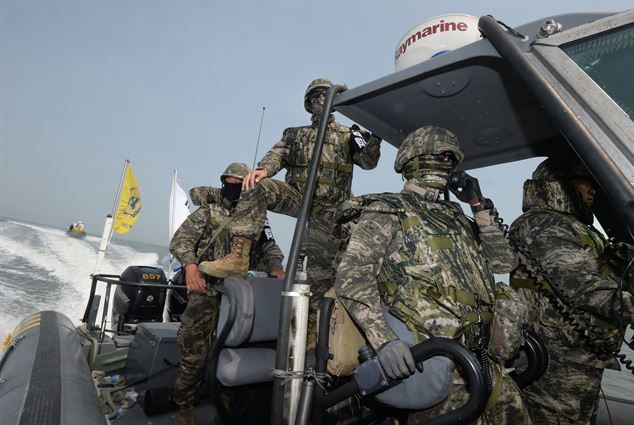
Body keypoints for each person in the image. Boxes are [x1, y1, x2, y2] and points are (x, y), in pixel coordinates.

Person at [335, 125, 531, 424]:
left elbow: (503, 262)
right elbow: (353, 277)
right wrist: (384, 340)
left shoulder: (459, 218)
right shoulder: (388, 209)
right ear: (412, 160)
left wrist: (478, 206)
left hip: (484, 362)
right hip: (435, 360)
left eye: (452, 160)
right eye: (439, 157)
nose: (446, 165)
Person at [199, 78, 381, 316]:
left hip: (329, 211)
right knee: (254, 183)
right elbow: (276, 155)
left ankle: (315, 335)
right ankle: (239, 255)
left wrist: (374, 136)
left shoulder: (349, 135)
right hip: (298, 198)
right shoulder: (295, 135)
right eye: (315, 96)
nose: (321, 100)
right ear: (308, 103)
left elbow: (368, 162)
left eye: (325, 95)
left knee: (320, 279)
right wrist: (264, 170)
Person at [509, 157, 634, 425]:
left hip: (580, 359)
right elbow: (582, 285)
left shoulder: (578, 229)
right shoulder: (543, 224)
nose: (594, 189)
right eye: (585, 181)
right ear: (560, 183)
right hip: (554, 363)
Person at [170, 162, 285, 425]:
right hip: (206, 293)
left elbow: (270, 246)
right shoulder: (209, 212)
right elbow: (181, 241)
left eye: (238, 183)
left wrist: (276, 266)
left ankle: (224, 404)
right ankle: (186, 405)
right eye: (228, 183)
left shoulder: (257, 218)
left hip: (238, 301)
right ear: (223, 184)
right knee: (194, 354)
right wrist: (190, 268)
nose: (232, 188)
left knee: (231, 354)